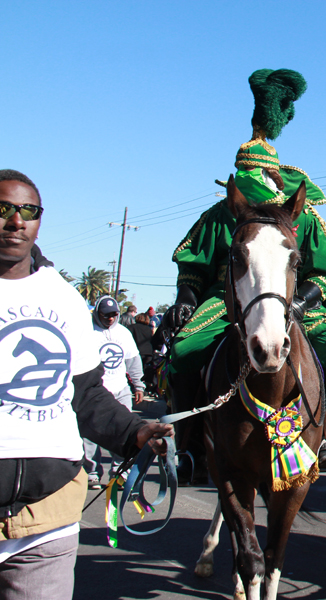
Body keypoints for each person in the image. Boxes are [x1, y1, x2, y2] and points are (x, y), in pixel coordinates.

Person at [160, 69, 326, 478]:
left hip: (291, 299)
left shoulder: (301, 219)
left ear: (274, 175)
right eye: (244, 176)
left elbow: (324, 272)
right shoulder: (221, 214)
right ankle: (187, 447)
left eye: (257, 176)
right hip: (228, 297)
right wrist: (187, 298)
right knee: (184, 351)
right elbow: (195, 266)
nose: (250, 182)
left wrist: (301, 301)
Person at [0, 169, 173, 600]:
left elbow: (86, 395)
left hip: (48, 519)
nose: (15, 221)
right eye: (3, 209)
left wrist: (134, 430)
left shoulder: (64, 298)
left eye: (28, 211)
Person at [83, 296, 145, 489]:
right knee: (89, 436)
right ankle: (92, 472)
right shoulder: (87, 332)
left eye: (114, 315)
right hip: (96, 391)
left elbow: (133, 361)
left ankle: (120, 472)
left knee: (124, 431)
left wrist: (138, 385)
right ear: (97, 314)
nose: (110, 319)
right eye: (106, 315)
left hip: (120, 389)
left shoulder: (124, 333)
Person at [128, 312, 155, 395]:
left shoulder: (131, 327)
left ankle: (135, 386)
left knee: (135, 370)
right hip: (148, 353)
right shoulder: (148, 329)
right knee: (144, 370)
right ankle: (144, 387)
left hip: (138, 352)